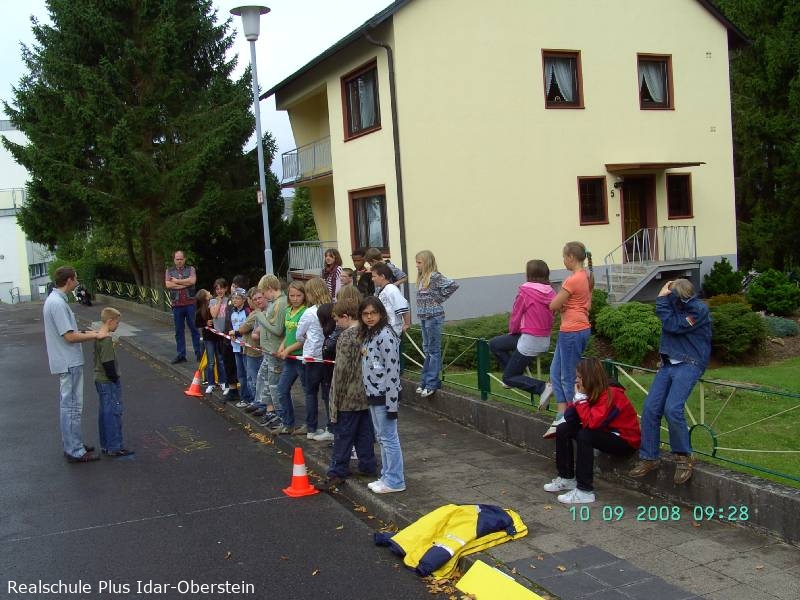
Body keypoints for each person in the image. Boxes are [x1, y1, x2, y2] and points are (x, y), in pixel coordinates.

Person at [629, 279, 712, 484]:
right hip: (668, 364)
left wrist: (660, 300)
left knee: (673, 409)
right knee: (650, 408)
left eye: (674, 297)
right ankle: (649, 457)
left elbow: (674, 325)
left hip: (690, 362)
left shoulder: (698, 310)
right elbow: (668, 318)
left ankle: (684, 457)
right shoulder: (673, 304)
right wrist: (664, 299)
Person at [543, 358, 641, 504]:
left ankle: (585, 491)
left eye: (579, 377)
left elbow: (592, 423)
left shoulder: (612, 394)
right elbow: (570, 418)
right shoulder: (590, 391)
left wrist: (581, 400)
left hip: (625, 441)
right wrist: (577, 399)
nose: (576, 380)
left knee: (585, 435)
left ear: (589, 377)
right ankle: (566, 478)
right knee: (563, 428)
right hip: (605, 432)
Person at [43, 265, 107, 463]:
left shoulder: (55, 300)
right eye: (76, 278)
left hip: (66, 360)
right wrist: (95, 335)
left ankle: (73, 444)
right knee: (72, 407)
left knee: (69, 406)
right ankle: (75, 450)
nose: (77, 281)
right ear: (69, 280)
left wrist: (89, 332)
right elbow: (69, 336)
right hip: (68, 361)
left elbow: (70, 332)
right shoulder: (58, 303)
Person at [316, 297, 377, 491]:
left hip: (348, 395)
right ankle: (368, 465)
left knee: (343, 434)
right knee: (364, 432)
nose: (336, 323)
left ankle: (337, 471)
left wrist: (335, 398)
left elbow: (341, 370)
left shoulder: (346, 337)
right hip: (365, 392)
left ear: (345, 316)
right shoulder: (367, 332)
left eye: (337, 319)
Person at [545, 241, 594, 439]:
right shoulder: (587, 276)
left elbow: (553, 305)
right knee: (555, 371)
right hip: (576, 328)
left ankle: (573, 415)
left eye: (564, 257)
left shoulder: (573, 279)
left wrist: (560, 305)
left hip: (572, 331)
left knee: (567, 375)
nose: (563, 260)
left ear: (571, 257)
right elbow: (582, 303)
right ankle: (562, 412)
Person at [489, 260, 555, 398]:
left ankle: (542, 387)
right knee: (495, 343)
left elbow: (516, 316)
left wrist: (513, 332)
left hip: (529, 341)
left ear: (529, 274)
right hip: (543, 339)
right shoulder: (552, 293)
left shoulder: (525, 292)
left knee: (508, 378)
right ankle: (515, 374)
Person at [361, 296, 405, 494]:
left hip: (384, 396)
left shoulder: (385, 335)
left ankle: (395, 480)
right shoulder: (370, 333)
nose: (369, 317)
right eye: (365, 314)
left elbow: (393, 370)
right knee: (382, 438)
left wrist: (392, 404)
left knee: (389, 438)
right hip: (372, 394)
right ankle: (387, 476)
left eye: (373, 313)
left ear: (381, 314)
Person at [415, 250, 459, 398]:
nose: (417, 265)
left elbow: (453, 285)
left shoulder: (434, 276)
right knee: (427, 349)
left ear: (427, 262)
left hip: (433, 317)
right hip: (424, 317)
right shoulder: (422, 278)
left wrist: (439, 298)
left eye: (419, 262)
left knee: (433, 351)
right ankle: (425, 381)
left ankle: (431, 383)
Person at [295, 277, 333, 439]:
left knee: (311, 393)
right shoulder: (332, 308)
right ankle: (331, 427)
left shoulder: (309, 312)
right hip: (327, 356)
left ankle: (311, 428)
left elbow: (299, 335)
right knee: (328, 393)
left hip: (312, 357)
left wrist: (308, 340)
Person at [94, 307, 133, 457]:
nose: (118, 325)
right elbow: (108, 362)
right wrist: (115, 378)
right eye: (117, 322)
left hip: (99, 378)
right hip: (108, 381)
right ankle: (115, 446)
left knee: (104, 412)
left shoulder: (98, 336)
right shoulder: (106, 340)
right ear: (110, 321)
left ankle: (106, 444)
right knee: (113, 413)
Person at [275, 281, 308, 434]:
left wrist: (288, 349)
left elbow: (304, 339)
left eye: (298, 295)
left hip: (300, 357)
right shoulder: (288, 310)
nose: (295, 299)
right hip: (289, 359)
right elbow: (288, 333)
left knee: (308, 392)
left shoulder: (305, 312)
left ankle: (309, 424)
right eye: (292, 295)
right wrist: (282, 346)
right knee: (282, 389)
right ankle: (288, 423)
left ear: (304, 296)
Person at [254, 275, 286, 427]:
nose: (264, 296)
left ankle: (281, 415)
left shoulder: (281, 303)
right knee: (266, 381)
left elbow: (278, 330)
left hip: (275, 351)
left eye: (263, 292)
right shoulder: (276, 303)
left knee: (274, 385)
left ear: (269, 288)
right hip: (269, 350)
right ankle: (272, 411)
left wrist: (260, 317)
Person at [165, 250, 201, 364]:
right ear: (174, 260)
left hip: (190, 304)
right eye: (177, 259)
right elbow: (168, 284)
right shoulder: (169, 271)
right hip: (177, 305)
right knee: (179, 331)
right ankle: (181, 355)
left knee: (194, 329)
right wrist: (184, 284)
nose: (179, 261)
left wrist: (177, 281)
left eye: (181, 259)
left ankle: (199, 354)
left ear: (184, 259)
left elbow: (193, 281)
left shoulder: (191, 269)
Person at [238, 287, 267, 413]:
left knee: (255, 378)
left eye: (259, 298)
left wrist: (240, 329)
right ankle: (256, 401)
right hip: (248, 349)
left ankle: (260, 403)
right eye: (254, 299)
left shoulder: (256, 314)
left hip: (255, 351)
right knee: (251, 377)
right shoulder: (254, 313)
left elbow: (243, 328)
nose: (256, 301)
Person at [227, 288, 251, 408]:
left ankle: (250, 398)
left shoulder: (247, 311)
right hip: (235, 347)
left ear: (244, 299)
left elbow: (248, 328)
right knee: (240, 373)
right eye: (233, 298)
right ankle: (244, 397)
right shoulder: (232, 311)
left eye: (237, 298)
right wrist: (231, 333)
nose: (235, 300)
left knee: (248, 373)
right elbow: (231, 326)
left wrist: (236, 333)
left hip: (245, 346)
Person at [372, 262, 410, 337]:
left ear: (382, 276)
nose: (372, 279)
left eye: (374, 276)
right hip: (385, 330)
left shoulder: (391, 289)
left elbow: (403, 307)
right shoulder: (383, 289)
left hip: (393, 330)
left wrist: (407, 324)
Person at [207, 278, 230, 395]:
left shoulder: (229, 300)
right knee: (215, 360)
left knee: (224, 360)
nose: (219, 291)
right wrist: (219, 301)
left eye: (221, 288)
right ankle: (213, 383)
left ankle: (225, 382)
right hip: (216, 334)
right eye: (217, 289)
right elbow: (214, 315)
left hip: (226, 334)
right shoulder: (212, 301)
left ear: (226, 288)